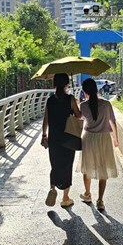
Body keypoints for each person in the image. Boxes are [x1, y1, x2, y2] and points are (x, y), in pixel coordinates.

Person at [78, 77, 119, 211]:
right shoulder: (106, 104)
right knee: (103, 169)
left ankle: (87, 194)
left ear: (85, 91)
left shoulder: (83, 105)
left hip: (89, 138)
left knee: (87, 167)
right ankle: (100, 200)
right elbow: (112, 122)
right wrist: (115, 139)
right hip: (104, 138)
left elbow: (80, 118)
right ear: (96, 89)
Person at [41, 72, 81, 208]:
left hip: (54, 138)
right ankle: (65, 197)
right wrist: (76, 104)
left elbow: (46, 119)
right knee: (67, 165)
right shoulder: (70, 99)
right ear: (67, 84)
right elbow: (78, 116)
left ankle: (52, 188)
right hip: (68, 137)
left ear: (54, 84)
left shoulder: (50, 100)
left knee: (55, 164)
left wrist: (44, 135)